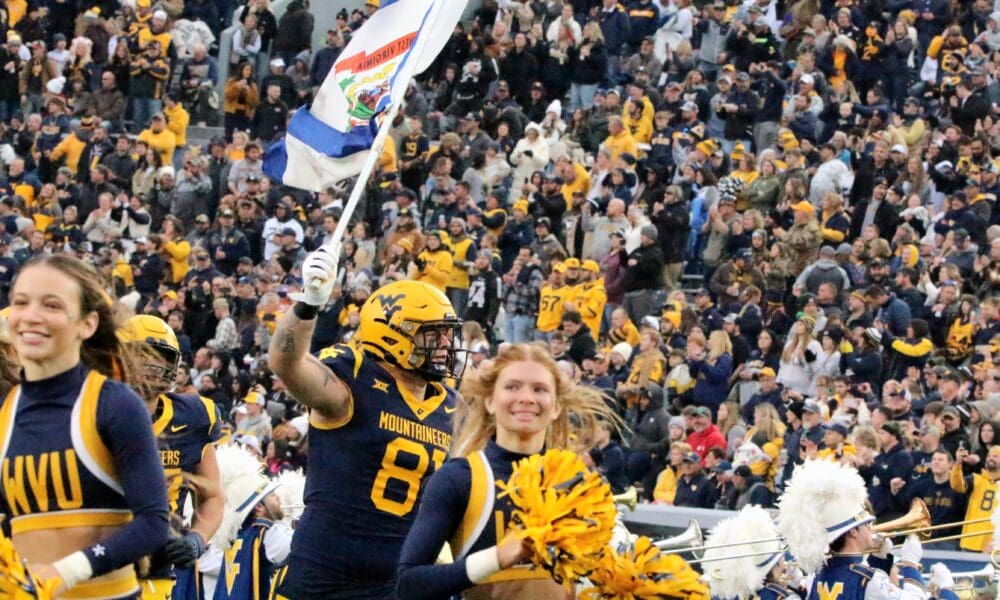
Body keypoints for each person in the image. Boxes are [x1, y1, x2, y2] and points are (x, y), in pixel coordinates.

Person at [268, 249, 463, 599]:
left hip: (395, 582)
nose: (445, 345)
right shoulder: (353, 377)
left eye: (448, 334)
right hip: (322, 575)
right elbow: (287, 363)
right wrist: (308, 304)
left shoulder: (449, 405)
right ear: (392, 334)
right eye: (433, 334)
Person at [2, 254, 169, 597]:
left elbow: (154, 523)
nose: (31, 316)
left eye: (51, 305)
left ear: (87, 324)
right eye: (21, 302)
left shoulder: (115, 404)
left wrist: (67, 571)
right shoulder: (6, 413)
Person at [396, 343, 617, 599]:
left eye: (539, 389)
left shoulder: (578, 485)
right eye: (512, 387)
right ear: (490, 401)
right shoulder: (459, 479)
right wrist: (498, 557)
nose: (526, 398)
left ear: (556, 406)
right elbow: (408, 584)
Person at [118, 314, 225, 600]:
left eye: (163, 356)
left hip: (157, 573)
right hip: (97, 568)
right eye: (145, 355)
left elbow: (213, 496)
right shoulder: (92, 410)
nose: (156, 365)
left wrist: (197, 538)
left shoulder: (193, 418)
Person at [777, 460, 926, 600]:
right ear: (853, 532)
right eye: (866, 524)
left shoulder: (817, 575)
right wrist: (910, 564)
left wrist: (879, 560)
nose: (871, 528)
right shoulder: (866, 577)